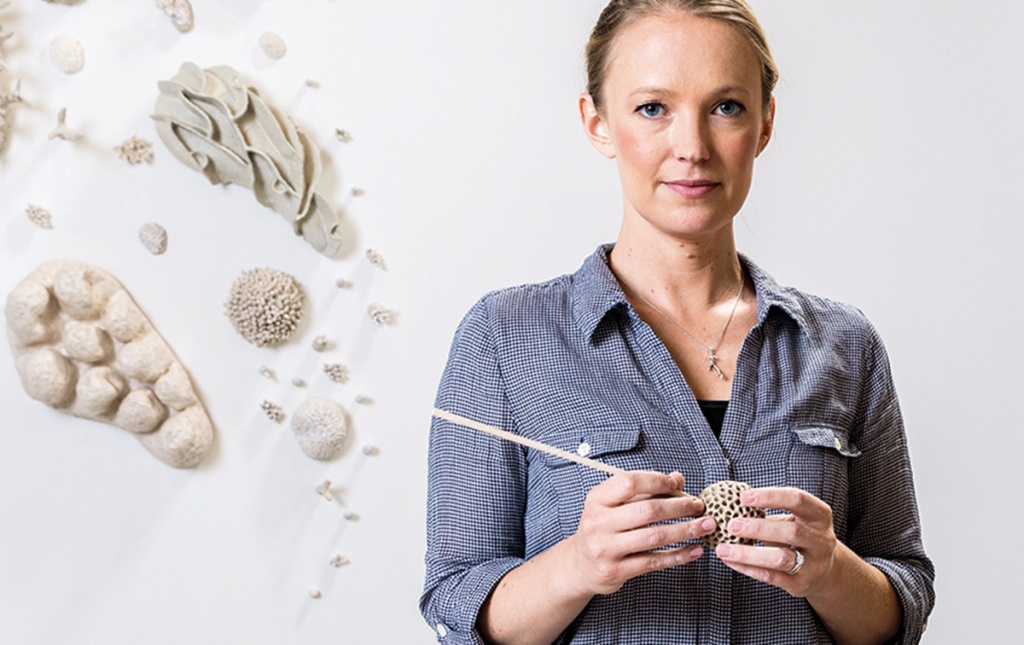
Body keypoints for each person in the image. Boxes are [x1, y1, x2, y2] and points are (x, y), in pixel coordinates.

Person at [421, 1, 935, 643]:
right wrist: (576, 566)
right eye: (652, 108)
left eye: (726, 107)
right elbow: (453, 606)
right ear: (597, 121)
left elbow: (902, 603)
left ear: (765, 123)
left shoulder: (843, 346)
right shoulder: (504, 337)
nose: (691, 148)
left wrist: (830, 571)